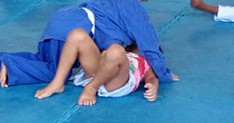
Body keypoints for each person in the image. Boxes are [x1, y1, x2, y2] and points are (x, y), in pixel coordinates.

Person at [0, 0, 175, 89]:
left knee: (44, 60)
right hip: (73, 29)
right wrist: (164, 74)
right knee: (57, 73)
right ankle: (9, 65)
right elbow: (150, 45)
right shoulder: (134, 9)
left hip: (61, 20)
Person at [33, 31, 171, 106]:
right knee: (77, 35)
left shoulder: (145, 62)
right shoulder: (121, 51)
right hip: (99, 72)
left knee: (115, 51)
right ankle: (58, 82)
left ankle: (92, 87)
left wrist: (153, 86)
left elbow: (152, 77)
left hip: (117, 82)